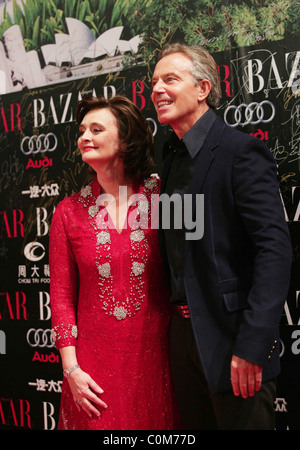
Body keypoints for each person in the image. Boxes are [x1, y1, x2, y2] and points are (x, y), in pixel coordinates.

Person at [151, 43, 292, 430]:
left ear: (202, 89)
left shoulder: (240, 152)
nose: (157, 89)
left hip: (232, 339)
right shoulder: (170, 160)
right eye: (154, 82)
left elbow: (274, 251)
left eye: (170, 79)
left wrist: (252, 345)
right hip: (182, 339)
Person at [49, 95, 180, 430]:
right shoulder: (68, 211)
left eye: (96, 129)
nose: (84, 137)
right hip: (92, 372)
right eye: (81, 130)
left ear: (126, 140)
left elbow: (197, 264)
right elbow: (62, 298)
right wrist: (71, 371)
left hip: (160, 363)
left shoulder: (166, 197)